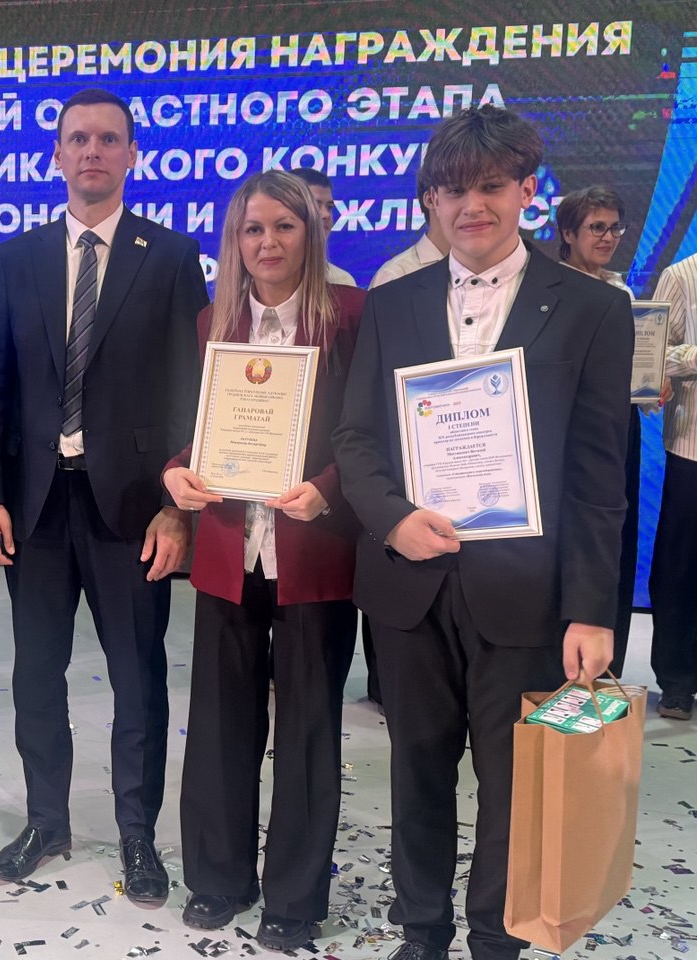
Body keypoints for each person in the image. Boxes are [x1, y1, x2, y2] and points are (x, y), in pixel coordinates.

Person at [332, 105, 632, 960]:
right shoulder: (391, 303)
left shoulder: (591, 309)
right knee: (417, 772)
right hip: (410, 584)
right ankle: (422, 933)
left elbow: (598, 474)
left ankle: (496, 941)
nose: (473, 206)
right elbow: (355, 438)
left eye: (492, 186)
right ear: (430, 200)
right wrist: (394, 519)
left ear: (528, 190)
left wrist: (592, 609)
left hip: (527, 592)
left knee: (515, 785)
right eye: (453, 190)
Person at [0, 87, 208, 904]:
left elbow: (189, 389)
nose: (93, 151)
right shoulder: (17, 258)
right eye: (79, 139)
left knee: (138, 678)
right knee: (37, 674)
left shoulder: (170, 256)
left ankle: (138, 835)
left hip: (135, 507)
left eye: (109, 139)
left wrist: (178, 508)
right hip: (35, 505)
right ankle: (47, 821)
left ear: (132, 154)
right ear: (58, 156)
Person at [161, 172, 364, 945]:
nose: (268, 243)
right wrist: (176, 472)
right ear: (235, 241)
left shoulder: (351, 315)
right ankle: (218, 879)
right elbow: (192, 428)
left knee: (308, 732)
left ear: (312, 232)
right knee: (219, 724)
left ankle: (294, 899)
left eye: (285, 226)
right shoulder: (213, 320)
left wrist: (328, 490)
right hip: (228, 547)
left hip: (314, 551)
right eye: (253, 229)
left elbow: (368, 432)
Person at [556, 185, 643, 678]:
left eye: (614, 228)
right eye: (596, 228)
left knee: (616, 533)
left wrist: (653, 383)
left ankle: (605, 665)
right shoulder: (548, 290)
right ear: (568, 233)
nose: (608, 237)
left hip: (621, 421)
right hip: (565, 431)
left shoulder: (621, 291)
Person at [649, 251, 697, 720]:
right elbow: (654, 353)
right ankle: (677, 681)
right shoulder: (682, 276)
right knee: (679, 569)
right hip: (692, 447)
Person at [370, 167, 450, 288]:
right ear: (431, 200)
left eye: (480, 191)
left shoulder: (477, 268)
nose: (473, 206)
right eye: (456, 192)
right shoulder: (395, 275)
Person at [289, 167, 357, 286]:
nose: (326, 215)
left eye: (329, 207)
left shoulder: (342, 282)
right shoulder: (260, 277)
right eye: (315, 206)